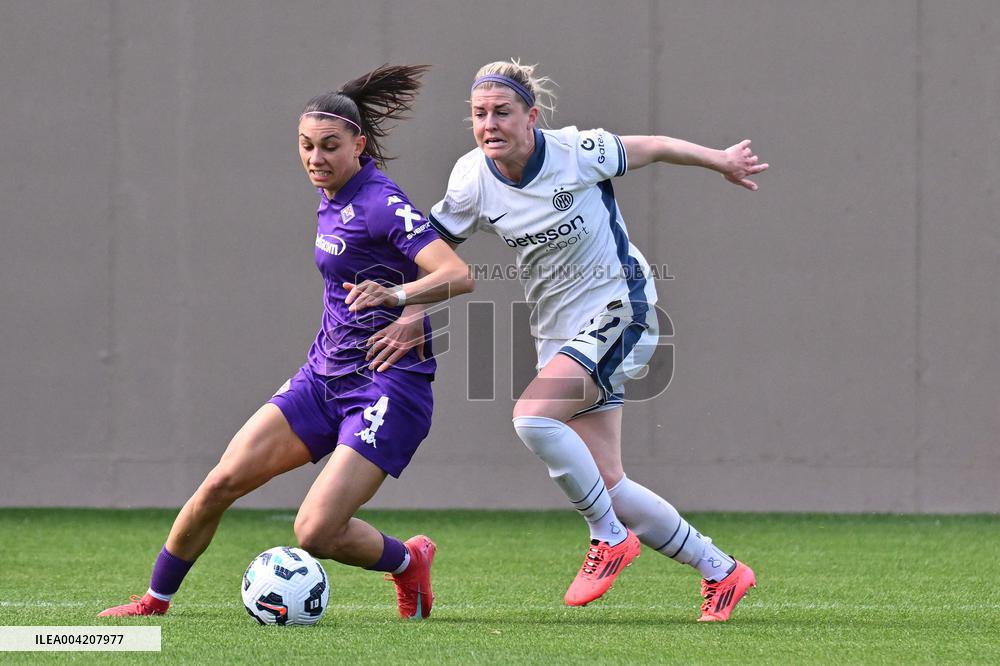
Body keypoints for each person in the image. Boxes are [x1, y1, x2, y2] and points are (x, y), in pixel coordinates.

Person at [98, 64, 473, 621]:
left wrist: (401, 300)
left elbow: (457, 273)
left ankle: (408, 559)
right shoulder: (331, 195)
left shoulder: (379, 201)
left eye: (329, 146)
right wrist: (405, 305)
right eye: (306, 145)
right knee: (221, 481)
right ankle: (154, 602)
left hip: (385, 387)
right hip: (322, 378)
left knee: (316, 531)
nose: (315, 158)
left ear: (359, 145)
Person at [407, 60, 766, 620]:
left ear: (532, 115)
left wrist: (719, 160)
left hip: (622, 308)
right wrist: (409, 305)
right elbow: (434, 245)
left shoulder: (577, 151)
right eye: (479, 114)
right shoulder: (471, 178)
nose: (489, 124)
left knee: (532, 418)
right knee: (609, 483)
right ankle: (723, 571)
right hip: (559, 332)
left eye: (502, 112)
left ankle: (607, 537)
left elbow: (654, 146)